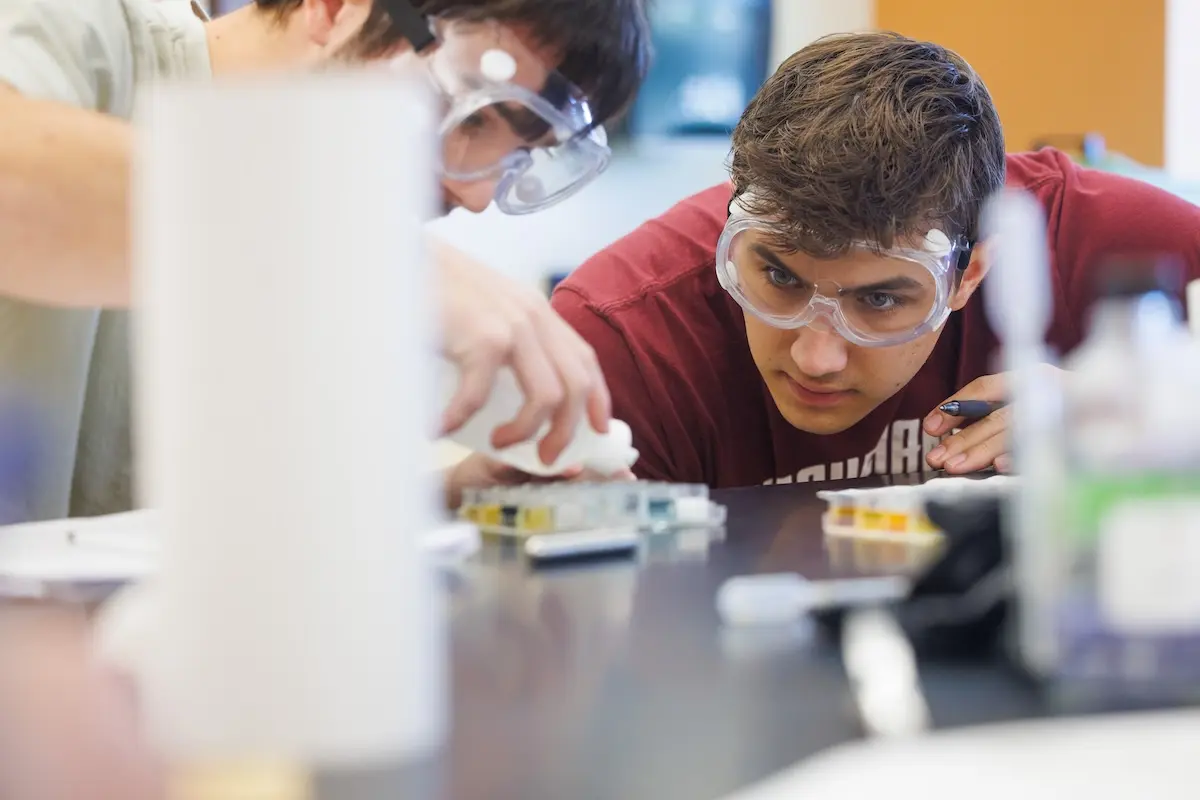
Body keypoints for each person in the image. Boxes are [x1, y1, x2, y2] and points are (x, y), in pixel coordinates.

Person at [0, 0, 650, 520]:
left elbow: (197, 529)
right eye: (471, 117)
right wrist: (356, 250)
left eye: (512, 160)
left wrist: (449, 494)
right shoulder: (73, 28)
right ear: (335, 8)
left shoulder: (311, 241)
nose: (474, 193)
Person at [482, 31, 1199, 489]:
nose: (817, 357)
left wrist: (1146, 412)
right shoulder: (628, 335)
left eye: (881, 299)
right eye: (779, 278)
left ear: (970, 273)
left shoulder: (1097, 240)